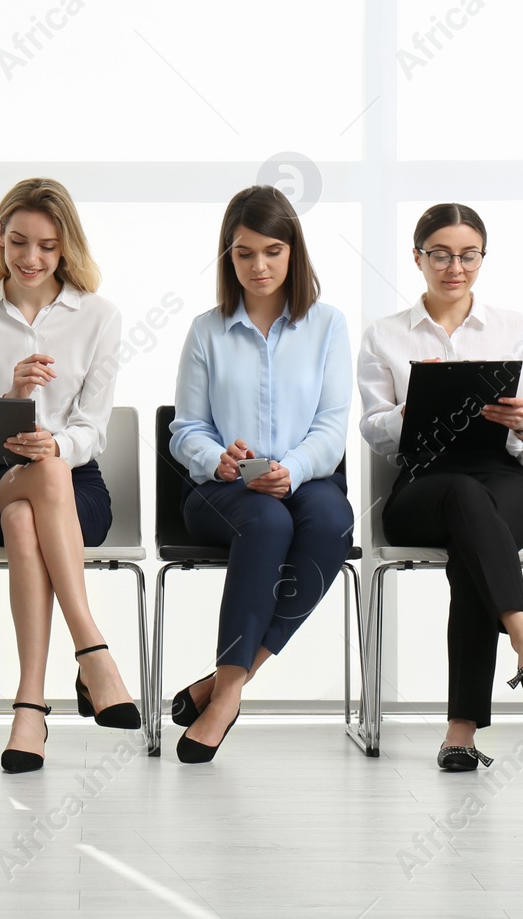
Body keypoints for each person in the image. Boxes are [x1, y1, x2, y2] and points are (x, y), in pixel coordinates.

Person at [0, 178, 141, 774]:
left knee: (34, 501)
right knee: (31, 486)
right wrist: (10, 397)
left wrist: (55, 442)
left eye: (48, 246)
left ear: (66, 247)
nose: (30, 259)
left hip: (77, 488)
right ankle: (92, 652)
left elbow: (93, 430)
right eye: (18, 242)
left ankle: (29, 707)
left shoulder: (99, 317)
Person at [357, 203, 523, 771]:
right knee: (467, 507)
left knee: (477, 535)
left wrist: (522, 421)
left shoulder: (514, 327)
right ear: (417, 257)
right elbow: (374, 431)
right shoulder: (386, 335)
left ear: (481, 258)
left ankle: (461, 733)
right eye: (441, 255)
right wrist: (415, 408)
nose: (455, 267)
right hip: (424, 481)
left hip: (501, 474)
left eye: (468, 255)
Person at [167, 185, 354, 763]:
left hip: (307, 481)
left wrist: (293, 470)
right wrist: (214, 457)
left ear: (293, 252)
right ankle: (227, 697)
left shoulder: (327, 326)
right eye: (244, 253)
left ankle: (225, 687)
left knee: (330, 523)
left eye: (272, 251)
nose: (259, 265)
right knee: (268, 525)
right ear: (229, 257)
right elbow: (185, 429)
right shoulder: (207, 331)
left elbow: (332, 427)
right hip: (222, 491)